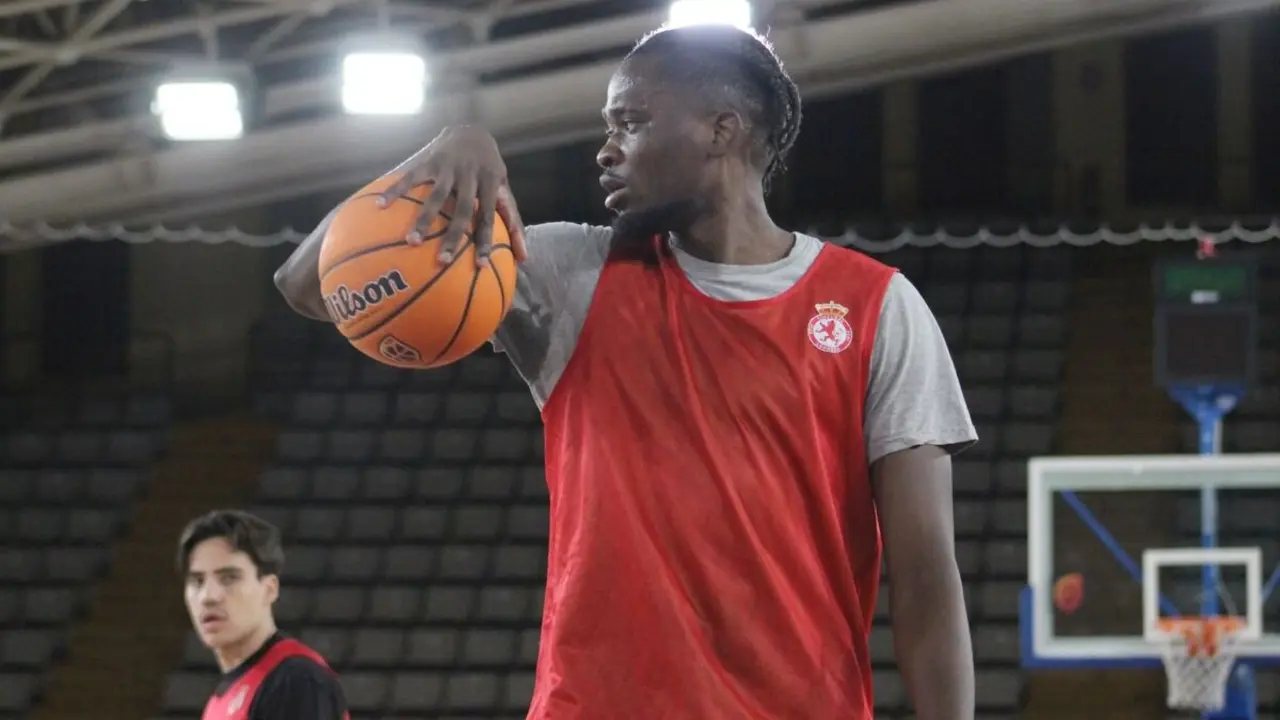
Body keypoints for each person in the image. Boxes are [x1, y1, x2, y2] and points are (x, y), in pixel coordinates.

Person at [275, 23, 976, 720]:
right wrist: (433, 158)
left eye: (630, 123)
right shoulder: (568, 273)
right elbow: (307, 285)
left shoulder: (876, 307)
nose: (606, 151)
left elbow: (925, 579)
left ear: (720, 130)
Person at [178, 509, 349, 720]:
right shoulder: (225, 694)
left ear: (269, 590)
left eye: (229, 578)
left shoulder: (294, 680)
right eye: (197, 581)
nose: (208, 596)